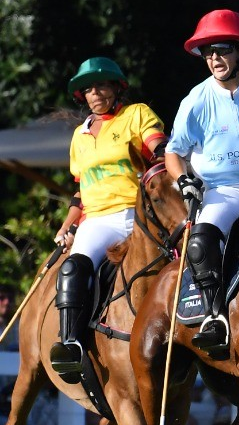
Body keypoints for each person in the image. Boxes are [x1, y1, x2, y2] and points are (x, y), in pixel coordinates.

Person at [164, 11, 239, 356]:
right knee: (199, 241)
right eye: (208, 51)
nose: (214, 58)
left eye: (223, 49)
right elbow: (174, 152)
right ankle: (215, 316)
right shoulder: (195, 100)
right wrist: (183, 179)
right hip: (223, 191)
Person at [46, 58, 167, 382]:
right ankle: (71, 344)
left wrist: (161, 151)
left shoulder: (135, 114)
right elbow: (80, 194)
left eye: (101, 85)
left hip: (137, 213)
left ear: (116, 88)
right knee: (74, 266)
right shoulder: (79, 137)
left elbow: (158, 149)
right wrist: (67, 225)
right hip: (98, 219)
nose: (95, 93)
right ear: (82, 96)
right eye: (88, 89)